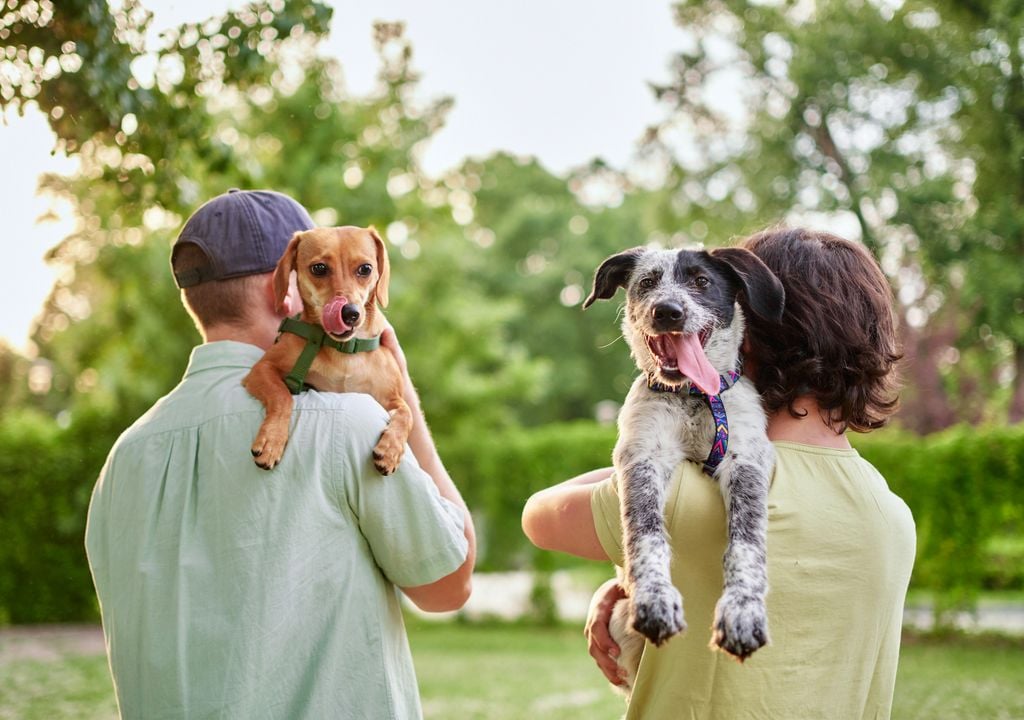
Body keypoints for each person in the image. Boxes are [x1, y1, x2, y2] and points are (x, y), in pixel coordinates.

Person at [85, 189, 476, 719]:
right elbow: (450, 583)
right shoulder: (350, 424)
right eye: (322, 270)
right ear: (285, 291)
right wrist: (402, 392)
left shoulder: (123, 458)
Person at [522, 227, 916, 719]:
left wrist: (630, 565)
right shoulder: (894, 517)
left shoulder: (685, 499)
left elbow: (539, 516)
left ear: (750, 330)